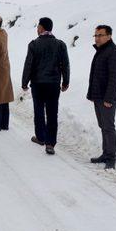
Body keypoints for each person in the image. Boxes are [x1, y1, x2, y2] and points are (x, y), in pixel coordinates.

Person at [21, 17, 70, 155]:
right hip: (54, 84)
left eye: (38, 27)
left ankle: (41, 137)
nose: (37, 29)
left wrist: (24, 82)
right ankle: (50, 144)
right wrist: (65, 82)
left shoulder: (34, 44)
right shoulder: (61, 45)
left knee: (39, 111)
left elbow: (28, 65)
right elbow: (65, 65)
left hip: (37, 83)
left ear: (42, 28)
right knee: (52, 112)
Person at [87, 24, 116, 169]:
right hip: (98, 97)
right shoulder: (101, 51)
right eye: (95, 35)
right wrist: (92, 94)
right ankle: (105, 154)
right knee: (103, 126)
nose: (97, 38)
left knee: (108, 127)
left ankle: (111, 158)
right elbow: (96, 76)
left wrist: (109, 99)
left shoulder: (114, 53)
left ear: (109, 36)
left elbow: (115, 78)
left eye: (100, 35)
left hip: (108, 99)